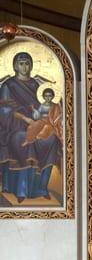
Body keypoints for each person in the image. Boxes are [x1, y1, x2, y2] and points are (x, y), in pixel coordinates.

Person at [0, 52, 61, 203]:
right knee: (23, 140)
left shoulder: (36, 84)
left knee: (52, 140)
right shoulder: (9, 85)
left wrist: (42, 117)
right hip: (14, 127)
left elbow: (44, 105)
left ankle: (41, 187)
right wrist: (25, 118)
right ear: (15, 66)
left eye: (27, 63)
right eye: (21, 63)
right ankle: (21, 189)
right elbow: (4, 110)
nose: (24, 66)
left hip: (38, 124)